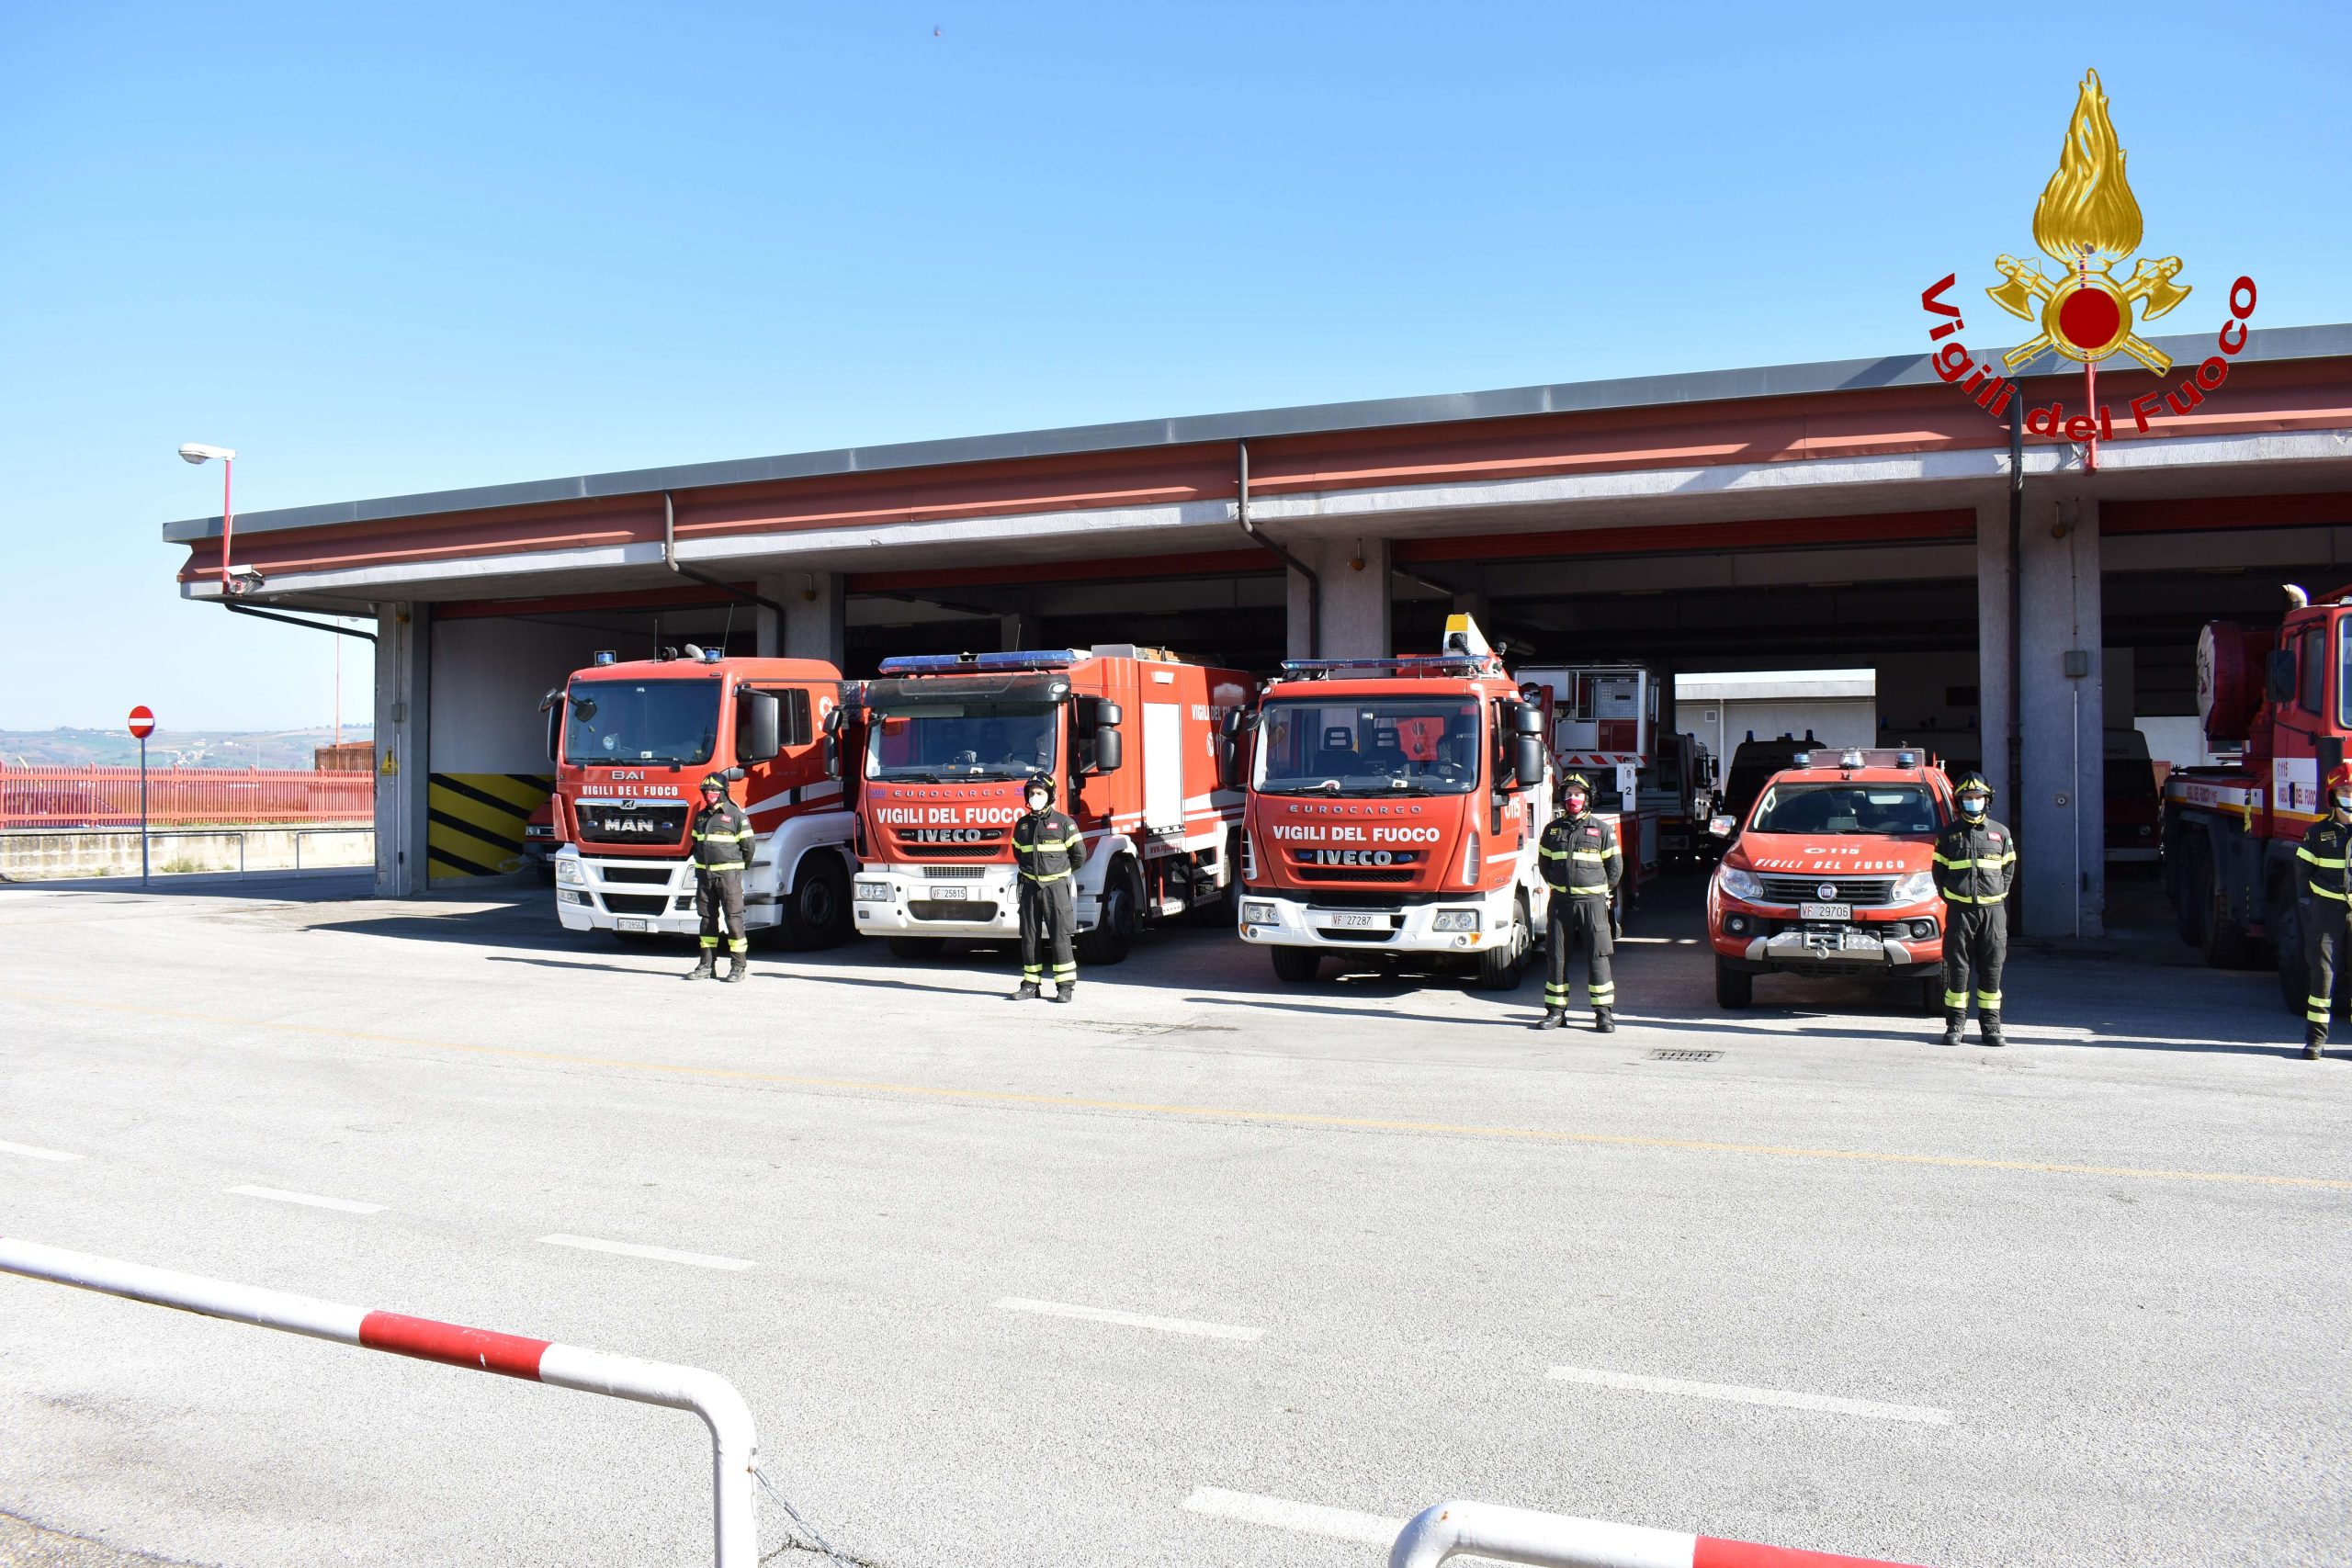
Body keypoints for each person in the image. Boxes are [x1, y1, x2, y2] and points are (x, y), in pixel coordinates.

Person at [1932, 771, 2016, 1045]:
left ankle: (1991, 1027)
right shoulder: (1947, 835)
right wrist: (1952, 896)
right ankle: (1955, 1025)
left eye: (1978, 798)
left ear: (1987, 800)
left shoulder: (2000, 833)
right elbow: (1938, 872)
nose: (1973, 802)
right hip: (1960, 912)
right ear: (1959, 802)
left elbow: (2009, 868)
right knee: (1957, 969)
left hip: (1993, 912)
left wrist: (1998, 893)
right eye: (1968, 798)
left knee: (1992, 969)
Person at [1533, 772, 1621, 1032]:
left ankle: (1604, 1015)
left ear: (1588, 798)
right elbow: (1544, 863)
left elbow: (1615, 867)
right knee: (1556, 956)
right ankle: (1556, 1012)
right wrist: (1559, 886)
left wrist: (1600, 892)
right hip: (1560, 902)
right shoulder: (1552, 830)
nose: (1573, 799)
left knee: (1597, 957)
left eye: (1578, 794)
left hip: (1592, 903)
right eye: (1569, 794)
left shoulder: (1601, 830)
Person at [2295, 762, 2352, 1059]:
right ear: (2333, 795)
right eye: (2345, 790)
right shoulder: (2317, 834)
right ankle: (2315, 1041)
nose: (2350, 795)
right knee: (2322, 974)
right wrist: (2313, 904)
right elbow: (2301, 877)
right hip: (2326, 909)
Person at [1012, 773, 1084, 1003]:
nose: (1035, 797)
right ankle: (1030, 985)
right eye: (1031, 793)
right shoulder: (1022, 825)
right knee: (1029, 936)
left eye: (1040, 793)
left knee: (1060, 936)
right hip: (1029, 887)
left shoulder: (1064, 823)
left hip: (1056, 888)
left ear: (1050, 796)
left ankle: (1065, 987)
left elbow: (1079, 856)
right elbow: (1017, 853)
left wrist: (1059, 874)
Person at [687, 773, 755, 983]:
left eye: (715, 790)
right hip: (705, 877)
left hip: (728, 877)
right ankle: (707, 965)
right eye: (707, 791)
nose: (710, 794)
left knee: (734, 920)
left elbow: (748, 849)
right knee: (707, 921)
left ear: (724, 792)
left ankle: (738, 967)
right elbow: (695, 844)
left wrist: (735, 869)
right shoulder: (700, 817)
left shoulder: (737, 816)